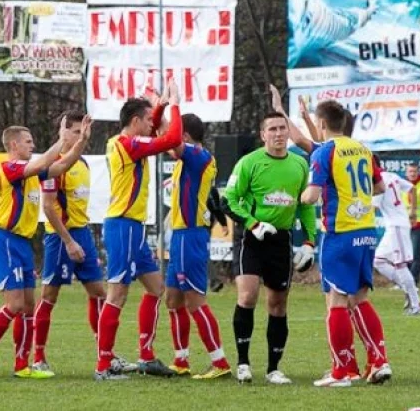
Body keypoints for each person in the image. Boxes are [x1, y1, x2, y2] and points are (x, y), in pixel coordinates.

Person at [0, 114, 93, 380]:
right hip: (4, 240)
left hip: (23, 242)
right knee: (14, 304)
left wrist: (80, 142)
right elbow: (43, 162)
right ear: (14, 145)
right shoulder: (11, 169)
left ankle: (22, 365)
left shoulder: (32, 170)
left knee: (28, 306)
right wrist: (61, 140)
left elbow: (61, 167)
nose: (32, 144)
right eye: (28, 141)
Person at [31, 111, 134, 376]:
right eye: (75, 131)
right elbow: (48, 207)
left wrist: (80, 240)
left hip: (82, 233)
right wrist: (68, 241)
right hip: (59, 237)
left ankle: (106, 353)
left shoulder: (84, 164)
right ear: (62, 132)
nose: (80, 136)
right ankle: (39, 356)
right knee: (49, 296)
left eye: (82, 132)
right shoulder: (54, 163)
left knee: (99, 293)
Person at [94, 81, 183, 381]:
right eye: (147, 121)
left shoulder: (124, 141)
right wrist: (175, 104)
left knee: (157, 288)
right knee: (117, 294)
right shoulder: (128, 144)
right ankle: (103, 366)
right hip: (123, 226)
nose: (151, 126)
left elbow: (157, 126)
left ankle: (146, 356)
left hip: (134, 227)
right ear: (135, 123)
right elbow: (172, 138)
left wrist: (157, 106)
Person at [301, 100, 392, 387]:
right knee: (359, 299)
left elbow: (312, 196)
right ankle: (379, 361)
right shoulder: (364, 150)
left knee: (337, 303)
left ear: (322, 124)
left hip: (340, 234)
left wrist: (299, 197)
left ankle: (343, 371)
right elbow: (380, 187)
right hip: (366, 230)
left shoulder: (325, 152)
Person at [223, 112, 317, 385]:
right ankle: (243, 363)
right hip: (252, 238)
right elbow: (230, 199)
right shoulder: (249, 162)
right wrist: (253, 223)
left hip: (281, 240)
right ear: (263, 135)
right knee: (248, 295)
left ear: (288, 133)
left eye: (282, 128)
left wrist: (310, 243)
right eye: (272, 129)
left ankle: (274, 368)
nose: (278, 133)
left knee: (277, 304)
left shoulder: (300, 164)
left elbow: (305, 206)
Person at [163, 113, 234, 380]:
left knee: (195, 302)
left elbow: (171, 141)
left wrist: (173, 103)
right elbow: (166, 139)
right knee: (172, 299)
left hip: (191, 236)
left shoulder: (197, 156)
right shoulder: (188, 157)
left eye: (174, 133)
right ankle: (180, 360)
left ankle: (220, 361)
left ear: (184, 136)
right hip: (181, 236)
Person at [372, 162, 420, 315]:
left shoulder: (378, 181)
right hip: (394, 227)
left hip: (397, 226)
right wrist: (413, 212)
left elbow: (373, 208)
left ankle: (416, 305)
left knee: (400, 265)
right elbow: (412, 188)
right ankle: (409, 288)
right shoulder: (391, 176)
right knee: (378, 260)